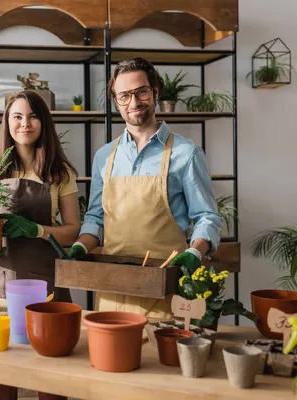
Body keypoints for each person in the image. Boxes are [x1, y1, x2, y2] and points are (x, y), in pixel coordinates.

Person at [67, 57, 223, 319]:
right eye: (124, 95)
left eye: (141, 91)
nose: (134, 102)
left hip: (164, 285)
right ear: (116, 101)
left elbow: (207, 217)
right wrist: (82, 245)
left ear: (155, 92)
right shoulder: (104, 156)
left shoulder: (186, 153)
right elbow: (95, 217)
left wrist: (195, 251)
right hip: (112, 288)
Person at [0, 90, 81, 400]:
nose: (25, 123)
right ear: (7, 122)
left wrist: (38, 230)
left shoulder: (61, 174)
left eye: (33, 116)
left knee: (50, 374)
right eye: (17, 116)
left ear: (43, 122)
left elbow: (73, 231)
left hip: (45, 279)